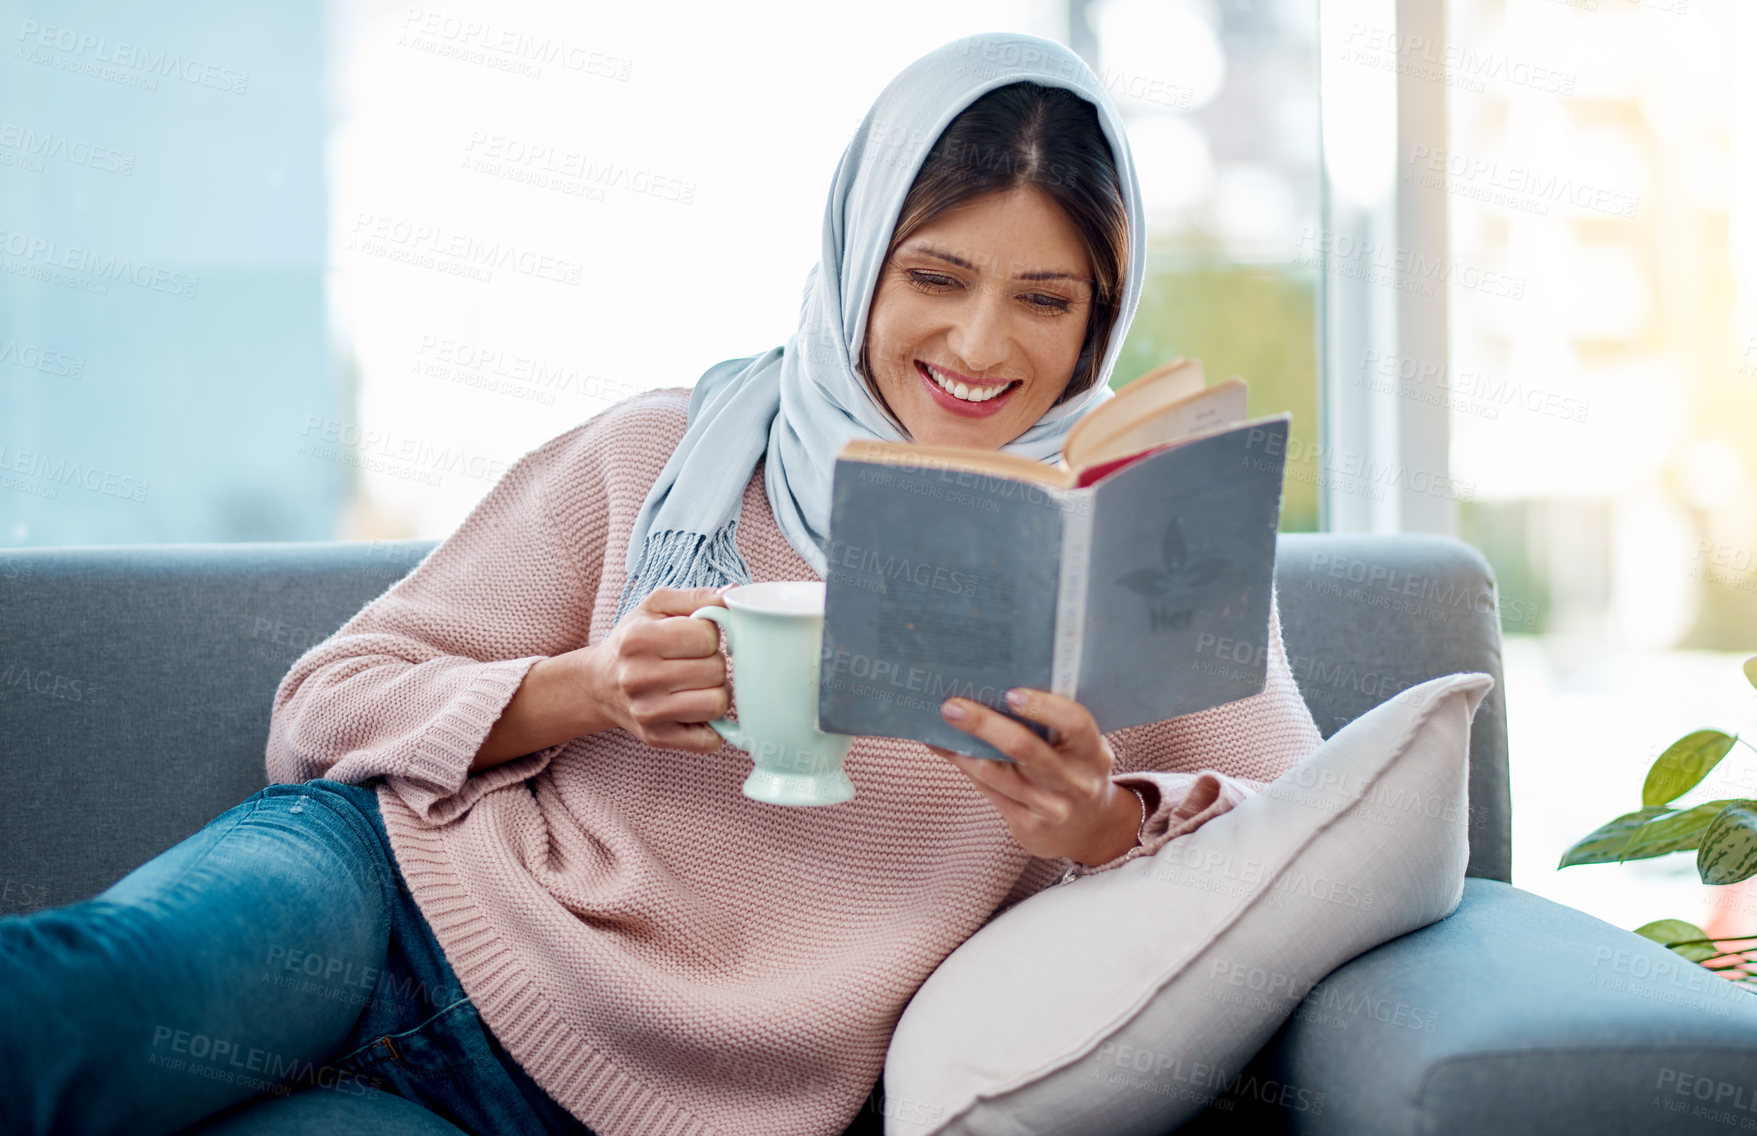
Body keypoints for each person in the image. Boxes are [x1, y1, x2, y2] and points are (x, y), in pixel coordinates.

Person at [0, 31, 1323, 1136]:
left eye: (1045, 299)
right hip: (384, 901)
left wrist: (1097, 825)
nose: (980, 345)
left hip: (609, 1102)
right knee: (76, 1006)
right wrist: (586, 691)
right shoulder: (661, 453)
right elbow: (326, 706)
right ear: (859, 263)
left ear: (1101, 314)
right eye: (933, 277)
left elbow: (1312, 845)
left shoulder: (1142, 550)